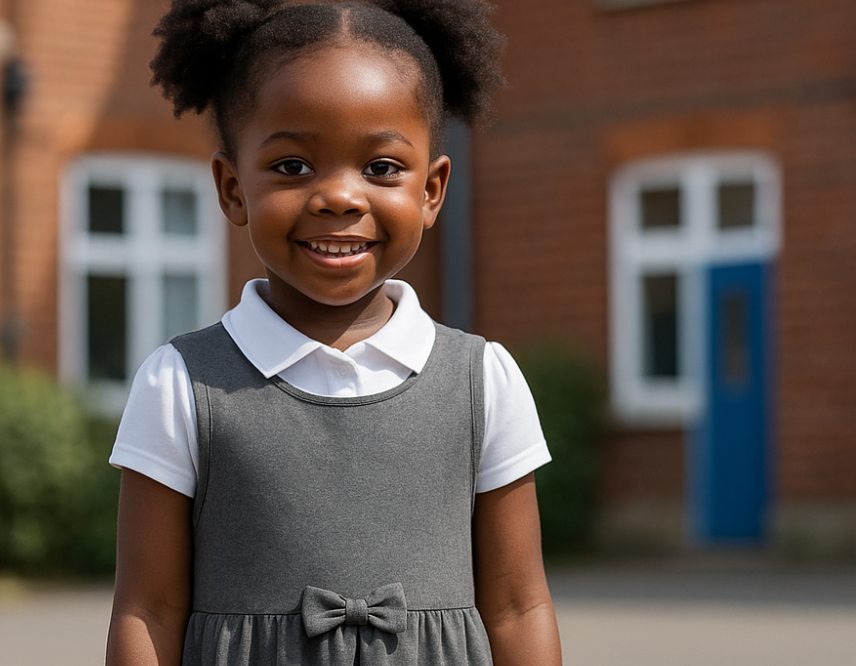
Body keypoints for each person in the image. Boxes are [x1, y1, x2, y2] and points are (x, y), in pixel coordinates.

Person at [105, 1, 562, 664]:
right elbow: (147, 609)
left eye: (381, 168)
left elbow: (520, 606)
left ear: (432, 190)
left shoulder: (482, 380)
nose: (340, 197)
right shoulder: (181, 383)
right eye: (292, 167)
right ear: (232, 189)